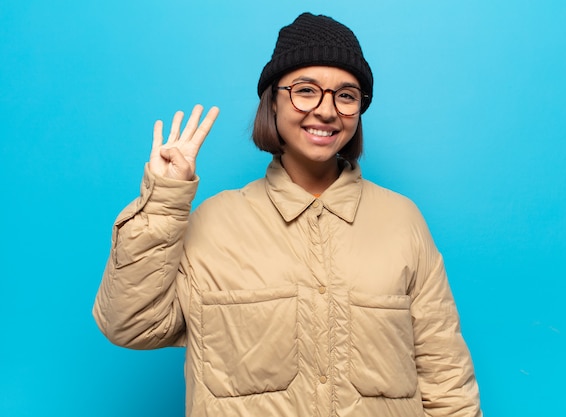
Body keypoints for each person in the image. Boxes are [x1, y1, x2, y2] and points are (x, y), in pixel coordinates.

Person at [93, 12, 482, 417]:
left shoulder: (402, 220)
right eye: (305, 90)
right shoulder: (214, 223)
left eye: (346, 95)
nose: (327, 110)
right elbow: (129, 324)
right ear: (272, 101)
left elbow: (445, 379)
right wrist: (164, 200)